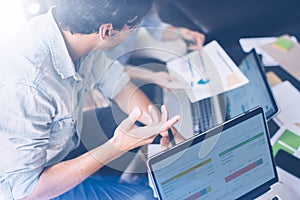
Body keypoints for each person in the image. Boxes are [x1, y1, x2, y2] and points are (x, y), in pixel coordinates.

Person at [0, 0, 182, 199]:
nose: (135, 31)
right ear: (107, 32)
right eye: (134, 26)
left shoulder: (77, 33)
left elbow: (119, 86)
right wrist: (116, 146)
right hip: (37, 185)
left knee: (135, 120)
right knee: (149, 196)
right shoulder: (28, 86)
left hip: (64, 140)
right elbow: (25, 191)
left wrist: (166, 128)